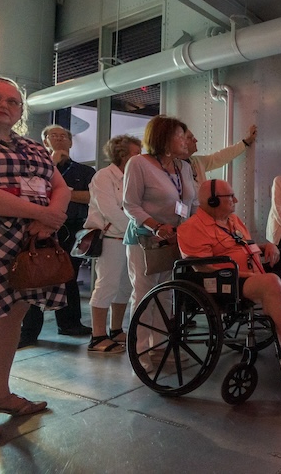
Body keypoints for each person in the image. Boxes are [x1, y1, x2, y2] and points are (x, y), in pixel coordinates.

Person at [177, 179, 281, 383]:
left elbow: (244, 246)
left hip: (256, 275)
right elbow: (203, 267)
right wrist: (243, 274)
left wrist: (267, 246)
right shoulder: (191, 228)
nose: (236, 200)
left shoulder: (233, 221)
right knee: (271, 282)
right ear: (212, 201)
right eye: (230, 196)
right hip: (229, 283)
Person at [0, 77, 72, 439]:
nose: (3, 104)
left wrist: (50, 215)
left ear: (21, 112)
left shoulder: (31, 147)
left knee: (12, 316)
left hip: (28, 246)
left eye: (12, 101)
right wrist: (36, 213)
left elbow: (61, 186)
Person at [123, 115, 196, 372]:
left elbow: (189, 204)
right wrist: (156, 225)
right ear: (163, 137)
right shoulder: (138, 164)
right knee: (143, 295)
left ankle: (162, 346)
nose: (186, 141)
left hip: (174, 240)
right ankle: (140, 350)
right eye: (180, 135)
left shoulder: (183, 167)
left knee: (166, 295)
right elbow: (130, 204)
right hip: (145, 240)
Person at [18, 125, 94, 347]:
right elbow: (34, 191)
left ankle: (70, 323)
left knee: (68, 276)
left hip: (73, 228)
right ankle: (29, 332)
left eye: (64, 136)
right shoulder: (36, 167)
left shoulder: (85, 171)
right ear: (45, 142)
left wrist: (65, 193)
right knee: (31, 276)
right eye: (54, 136)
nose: (60, 139)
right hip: (38, 228)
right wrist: (53, 163)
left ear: (71, 142)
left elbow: (90, 197)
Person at [85, 135, 142, 354]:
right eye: (135, 154)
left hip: (128, 239)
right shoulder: (103, 176)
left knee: (125, 287)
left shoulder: (131, 177)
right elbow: (109, 209)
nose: (139, 158)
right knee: (106, 284)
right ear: (122, 154)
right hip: (110, 239)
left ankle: (116, 329)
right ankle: (97, 335)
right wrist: (138, 229)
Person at [185, 124, 257, 190]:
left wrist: (246, 142)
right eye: (190, 138)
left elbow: (219, 157)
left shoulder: (196, 162)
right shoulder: (175, 167)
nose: (195, 140)